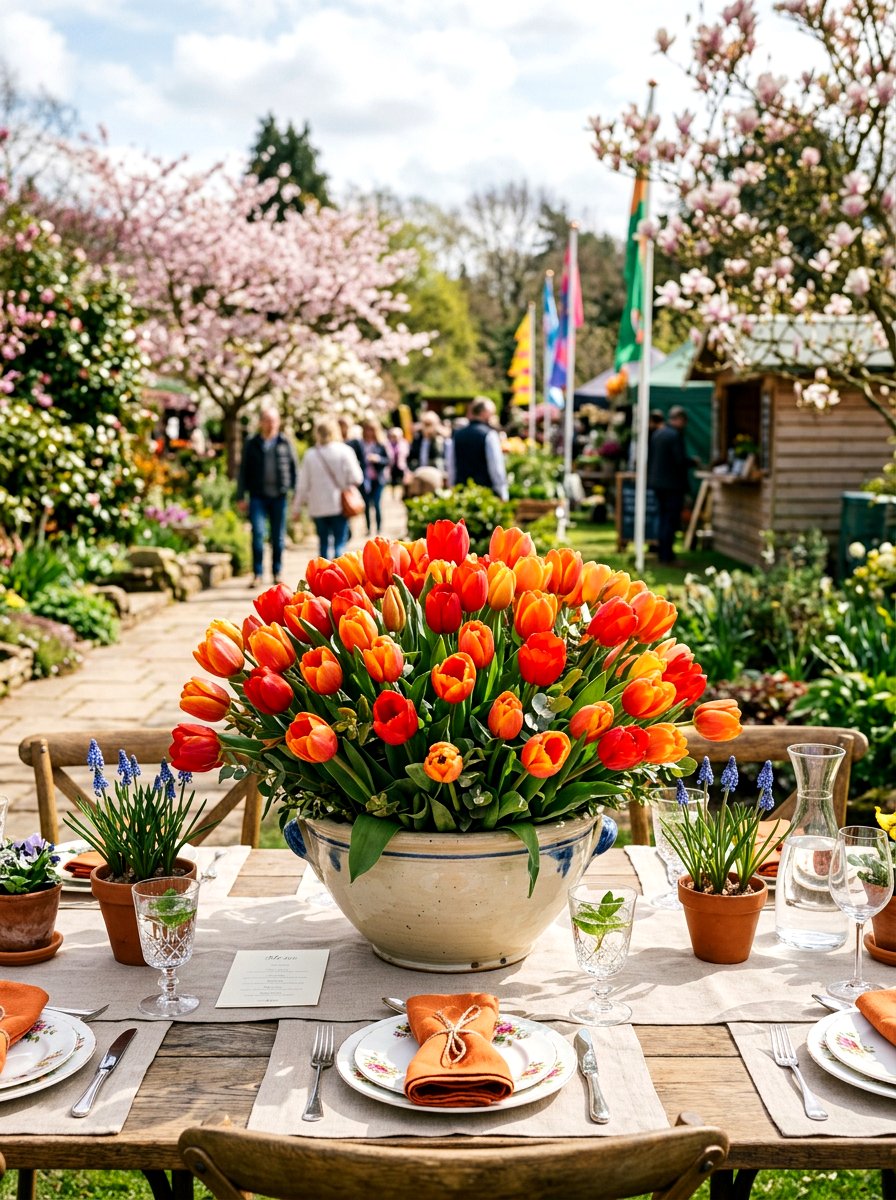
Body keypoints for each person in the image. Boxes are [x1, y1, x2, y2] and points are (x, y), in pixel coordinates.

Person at [237, 407, 298, 588]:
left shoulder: (285, 442)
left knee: (278, 536)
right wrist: (240, 495)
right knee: (258, 534)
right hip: (258, 496)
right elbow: (243, 471)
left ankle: (277, 571)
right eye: (267, 420)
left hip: (279, 496)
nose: (270, 424)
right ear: (261, 422)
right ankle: (257, 573)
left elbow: (295, 470)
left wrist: (296, 494)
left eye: (273, 420)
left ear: (278, 422)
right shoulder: (252, 443)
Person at [294, 416, 364, 559]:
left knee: (323, 544)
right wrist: (345, 484)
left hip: (318, 507)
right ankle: (339, 572)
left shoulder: (310, 455)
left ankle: (323, 575)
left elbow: (302, 485)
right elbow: (357, 478)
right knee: (340, 543)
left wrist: (296, 508)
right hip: (339, 504)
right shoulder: (345, 451)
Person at [647, 405, 692, 565]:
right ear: (679, 419)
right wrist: (692, 462)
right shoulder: (674, 436)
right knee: (670, 521)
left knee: (662, 518)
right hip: (672, 486)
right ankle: (667, 556)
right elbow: (679, 461)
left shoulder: (658, 434)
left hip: (657, 484)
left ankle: (662, 553)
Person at [445, 396, 509, 501]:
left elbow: (451, 465)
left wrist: (452, 487)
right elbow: (496, 467)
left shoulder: (457, 435)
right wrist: (502, 491)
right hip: (485, 494)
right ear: (484, 412)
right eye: (491, 413)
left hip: (462, 493)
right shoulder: (489, 434)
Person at [360, 418, 390, 535]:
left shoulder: (380, 444)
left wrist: (377, 459)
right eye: (367, 430)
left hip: (378, 479)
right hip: (365, 479)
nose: (369, 432)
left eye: (371, 430)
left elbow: (387, 460)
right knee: (366, 504)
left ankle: (378, 527)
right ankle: (368, 528)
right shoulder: (360, 444)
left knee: (376, 503)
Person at [406, 411, 446, 475]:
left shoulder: (440, 440)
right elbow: (412, 456)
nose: (428, 427)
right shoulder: (417, 439)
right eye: (425, 424)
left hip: (436, 474)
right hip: (419, 473)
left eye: (430, 424)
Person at [385, 426, 409, 498]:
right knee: (393, 481)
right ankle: (393, 495)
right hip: (392, 465)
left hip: (401, 465)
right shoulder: (388, 444)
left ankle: (402, 494)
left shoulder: (403, 443)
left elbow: (406, 454)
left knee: (402, 481)